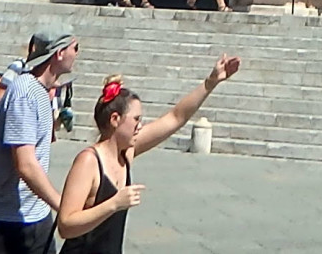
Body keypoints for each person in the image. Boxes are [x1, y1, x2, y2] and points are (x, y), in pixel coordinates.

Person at [56, 55, 242, 252]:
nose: (140, 126)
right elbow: (66, 225)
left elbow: (175, 117)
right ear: (115, 119)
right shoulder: (89, 161)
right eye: (136, 119)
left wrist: (210, 83)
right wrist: (114, 203)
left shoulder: (125, 154)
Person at [0, 27, 78, 253]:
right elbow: (25, 164)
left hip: (33, 218)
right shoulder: (25, 93)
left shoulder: (40, 91)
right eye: (75, 48)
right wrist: (62, 205)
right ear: (59, 53)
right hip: (1, 225)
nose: (77, 53)